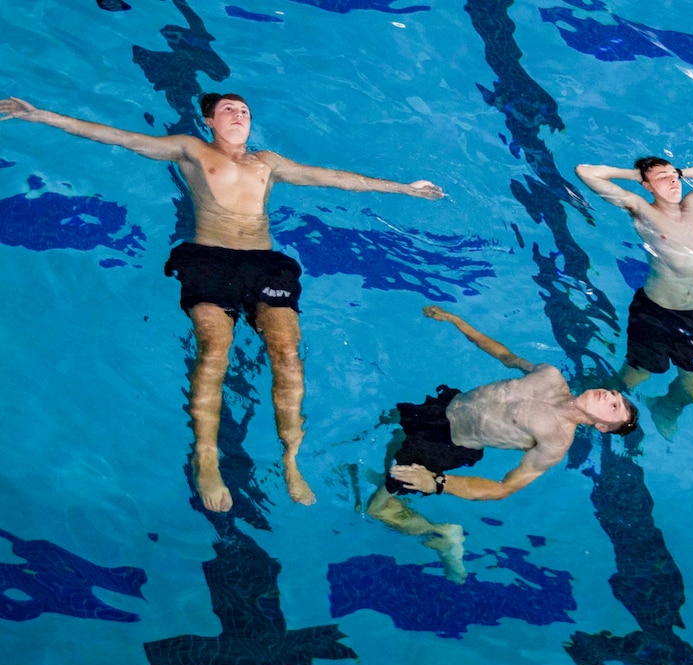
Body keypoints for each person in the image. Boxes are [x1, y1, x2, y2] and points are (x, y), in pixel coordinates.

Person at [0, 93, 444, 512]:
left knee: (287, 353)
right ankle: (207, 458)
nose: (238, 116)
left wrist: (404, 189)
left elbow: (330, 177)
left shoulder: (267, 163)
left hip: (265, 264)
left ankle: (291, 458)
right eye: (228, 110)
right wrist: (37, 114)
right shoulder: (191, 149)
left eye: (245, 111)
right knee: (215, 349)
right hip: (208, 260)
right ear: (209, 121)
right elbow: (119, 136)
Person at [367, 305, 638, 582]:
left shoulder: (556, 441)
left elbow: (504, 488)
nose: (608, 395)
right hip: (444, 408)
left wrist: (437, 482)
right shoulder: (550, 376)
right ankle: (389, 478)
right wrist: (457, 320)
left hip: (443, 446)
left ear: (602, 426)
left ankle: (440, 534)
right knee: (393, 429)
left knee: (374, 508)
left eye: (614, 405)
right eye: (613, 393)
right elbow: (505, 355)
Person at [575, 157, 693, 439]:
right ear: (646, 184)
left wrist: (681, 172)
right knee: (635, 376)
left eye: (675, 176)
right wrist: (634, 175)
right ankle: (589, 412)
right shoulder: (641, 209)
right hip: (656, 312)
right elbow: (586, 171)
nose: (673, 180)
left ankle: (665, 406)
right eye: (663, 177)